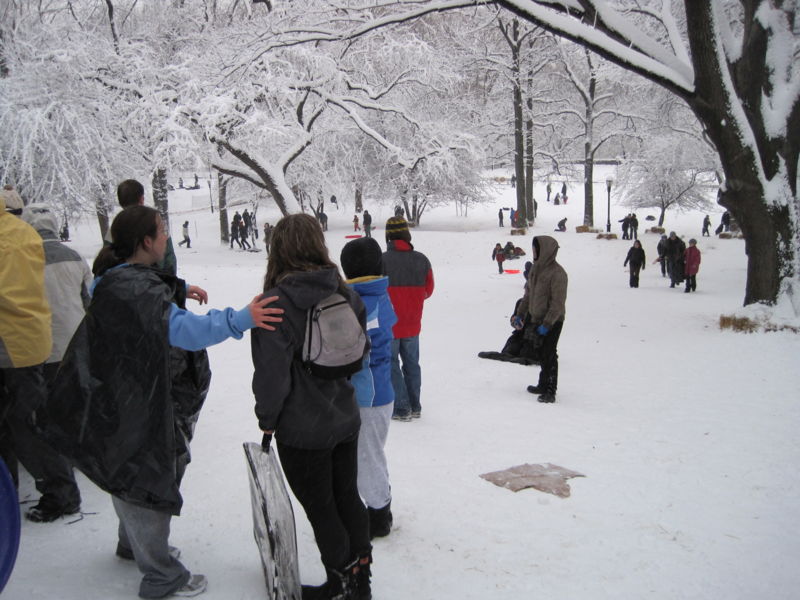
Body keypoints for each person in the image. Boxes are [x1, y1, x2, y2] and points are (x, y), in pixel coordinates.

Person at [43, 206, 283, 599]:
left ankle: (132, 545)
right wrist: (241, 318)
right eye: (162, 231)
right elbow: (187, 332)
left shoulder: (114, 278)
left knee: (129, 471)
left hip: (122, 397)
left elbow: (146, 305)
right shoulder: (135, 291)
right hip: (139, 402)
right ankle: (160, 574)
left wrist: (175, 292)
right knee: (148, 479)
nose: (167, 237)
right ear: (145, 242)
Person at [250, 214, 372, 599]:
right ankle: (360, 578)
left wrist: (267, 421)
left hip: (303, 429)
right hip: (345, 416)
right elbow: (359, 351)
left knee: (322, 508)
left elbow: (272, 376)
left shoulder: (274, 305)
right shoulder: (345, 292)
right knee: (347, 496)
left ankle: (341, 583)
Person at [0, 195, 83, 523]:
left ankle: (60, 493)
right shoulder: (22, 232)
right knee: (25, 422)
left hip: (12, 344)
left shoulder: (10, 236)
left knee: (24, 425)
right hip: (32, 340)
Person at [340, 237, 397, 541]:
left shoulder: (365, 303)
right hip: (374, 396)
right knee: (368, 455)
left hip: (370, 398)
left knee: (367, 457)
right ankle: (378, 501)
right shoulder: (374, 295)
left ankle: (379, 516)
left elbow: (353, 351)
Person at [382, 216, 434, 421]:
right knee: (412, 363)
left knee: (391, 362)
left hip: (390, 324)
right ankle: (415, 404)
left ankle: (401, 407)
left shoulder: (382, 260)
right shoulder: (422, 260)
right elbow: (428, 290)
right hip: (413, 324)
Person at [513, 236, 568, 404]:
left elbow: (558, 303)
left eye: (536, 249)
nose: (534, 252)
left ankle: (550, 389)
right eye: (533, 249)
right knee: (541, 352)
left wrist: (547, 324)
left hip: (553, 319)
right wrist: (520, 314)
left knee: (549, 352)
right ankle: (542, 384)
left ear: (545, 250)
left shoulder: (558, 273)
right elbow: (528, 295)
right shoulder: (535, 269)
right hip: (536, 317)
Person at [114, 180, 178, 276]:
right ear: (142, 199)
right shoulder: (155, 223)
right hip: (156, 282)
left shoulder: (115, 228)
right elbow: (169, 259)